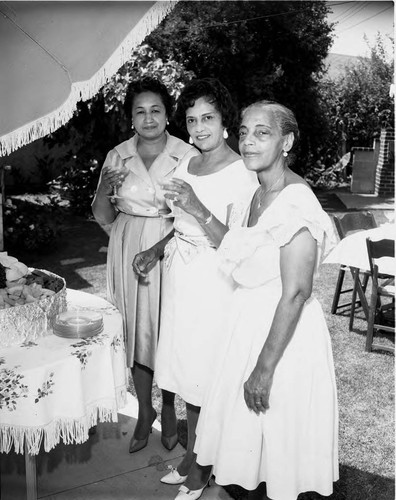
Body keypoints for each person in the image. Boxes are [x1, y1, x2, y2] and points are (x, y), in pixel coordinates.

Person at [179, 101, 339, 500]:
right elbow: (239, 248)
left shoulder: (297, 202)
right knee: (246, 445)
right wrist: (197, 209)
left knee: (277, 447)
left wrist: (264, 368)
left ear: (286, 141)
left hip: (283, 338)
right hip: (248, 325)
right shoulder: (257, 193)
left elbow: (297, 292)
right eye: (245, 131)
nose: (249, 141)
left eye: (262, 133)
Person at [132, 78, 258, 486]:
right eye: (191, 119)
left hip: (214, 279)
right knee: (186, 371)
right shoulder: (187, 163)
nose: (199, 127)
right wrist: (156, 249)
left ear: (225, 121)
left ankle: (203, 468)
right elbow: (180, 223)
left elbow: (237, 243)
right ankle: (192, 457)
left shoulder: (243, 172)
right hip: (180, 273)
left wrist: (196, 205)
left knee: (207, 373)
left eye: (208, 117)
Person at [92, 77, 197, 454]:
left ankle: (169, 408)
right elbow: (102, 213)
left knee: (165, 330)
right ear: (130, 118)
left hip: (173, 245)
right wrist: (105, 185)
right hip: (125, 246)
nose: (148, 118)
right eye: (140, 111)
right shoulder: (117, 155)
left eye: (156, 110)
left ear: (168, 115)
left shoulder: (188, 155)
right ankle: (143, 409)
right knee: (134, 330)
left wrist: (157, 247)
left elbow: (195, 218)